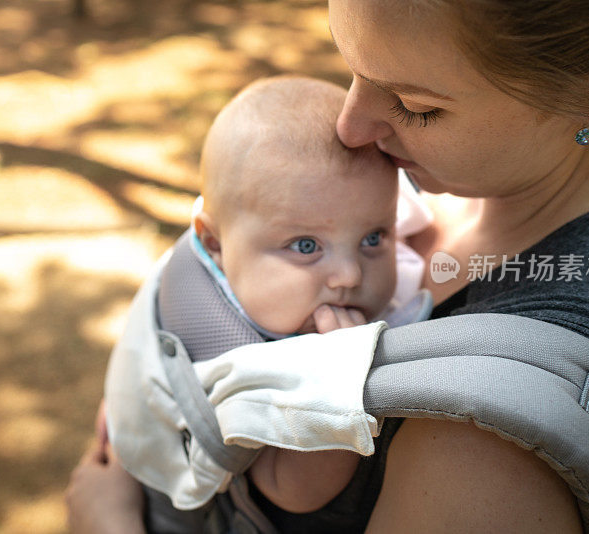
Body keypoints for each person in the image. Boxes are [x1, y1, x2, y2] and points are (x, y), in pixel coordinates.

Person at [68, 0, 589, 532]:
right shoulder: (446, 182)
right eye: (350, 66)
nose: (349, 127)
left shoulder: (490, 446)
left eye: (416, 105)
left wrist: (107, 524)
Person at [102, 75, 434, 524]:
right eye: (305, 247)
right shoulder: (231, 354)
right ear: (214, 243)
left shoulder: (294, 235)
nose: (349, 275)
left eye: (374, 237)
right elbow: (289, 491)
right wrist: (337, 383)